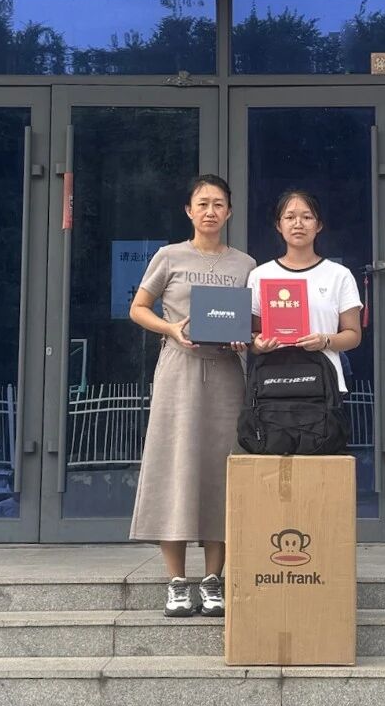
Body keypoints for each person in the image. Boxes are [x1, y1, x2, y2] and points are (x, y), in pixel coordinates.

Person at [128, 174, 254, 618]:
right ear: (189, 210)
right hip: (178, 371)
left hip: (226, 374)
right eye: (202, 203)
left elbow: (252, 320)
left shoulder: (246, 265)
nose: (210, 211)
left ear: (229, 212)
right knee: (175, 466)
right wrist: (170, 328)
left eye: (218, 204)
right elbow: (138, 308)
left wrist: (243, 337)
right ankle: (177, 581)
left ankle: (213, 579)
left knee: (223, 469)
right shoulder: (168, 257)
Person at [247, 189, 363, 396]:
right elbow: (254, 336)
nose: (298, 224)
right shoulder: (260, 275)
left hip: (324, 383)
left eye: (307, 217)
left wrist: (325, 340)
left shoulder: (339, 275)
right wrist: (258, 344)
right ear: (278, 225)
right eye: (290, 217)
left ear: (319, 225)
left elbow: (353, 335)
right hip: (272, 384)